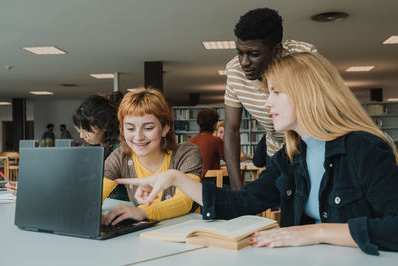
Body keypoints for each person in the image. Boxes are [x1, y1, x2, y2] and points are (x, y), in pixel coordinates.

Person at [117, 52, 398, 255]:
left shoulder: (366, 149)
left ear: (306, 94)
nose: (267, 102)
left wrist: (317, 231)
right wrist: (175, 177)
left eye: (276, 92)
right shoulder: (291, 156)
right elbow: (240, 202)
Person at [224, 8, 317, 189]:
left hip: (311, 147)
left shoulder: (303, 57)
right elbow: (231, 129)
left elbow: (319, 114)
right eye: (240, 52)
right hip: (276, 152)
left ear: (276, 51)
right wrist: (237, 188)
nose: (243, 62)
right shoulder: (234, 71)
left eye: (254, 54)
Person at [101, 88, 203, 225]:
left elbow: (185, 201)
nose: (138, 137)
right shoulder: (120, 157)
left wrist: (142, 212)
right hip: (147, 232)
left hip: (187, 229)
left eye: (148, 128)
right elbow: (95, 196)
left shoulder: (186, 153)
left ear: (165, 128)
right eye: (130, 128)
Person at [73, 91, 128, 200]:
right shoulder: (94, 147)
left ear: (105, 126)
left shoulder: (121, 150)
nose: (81, 136)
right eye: (79, 130)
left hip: (122, 205)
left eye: (86, 131)